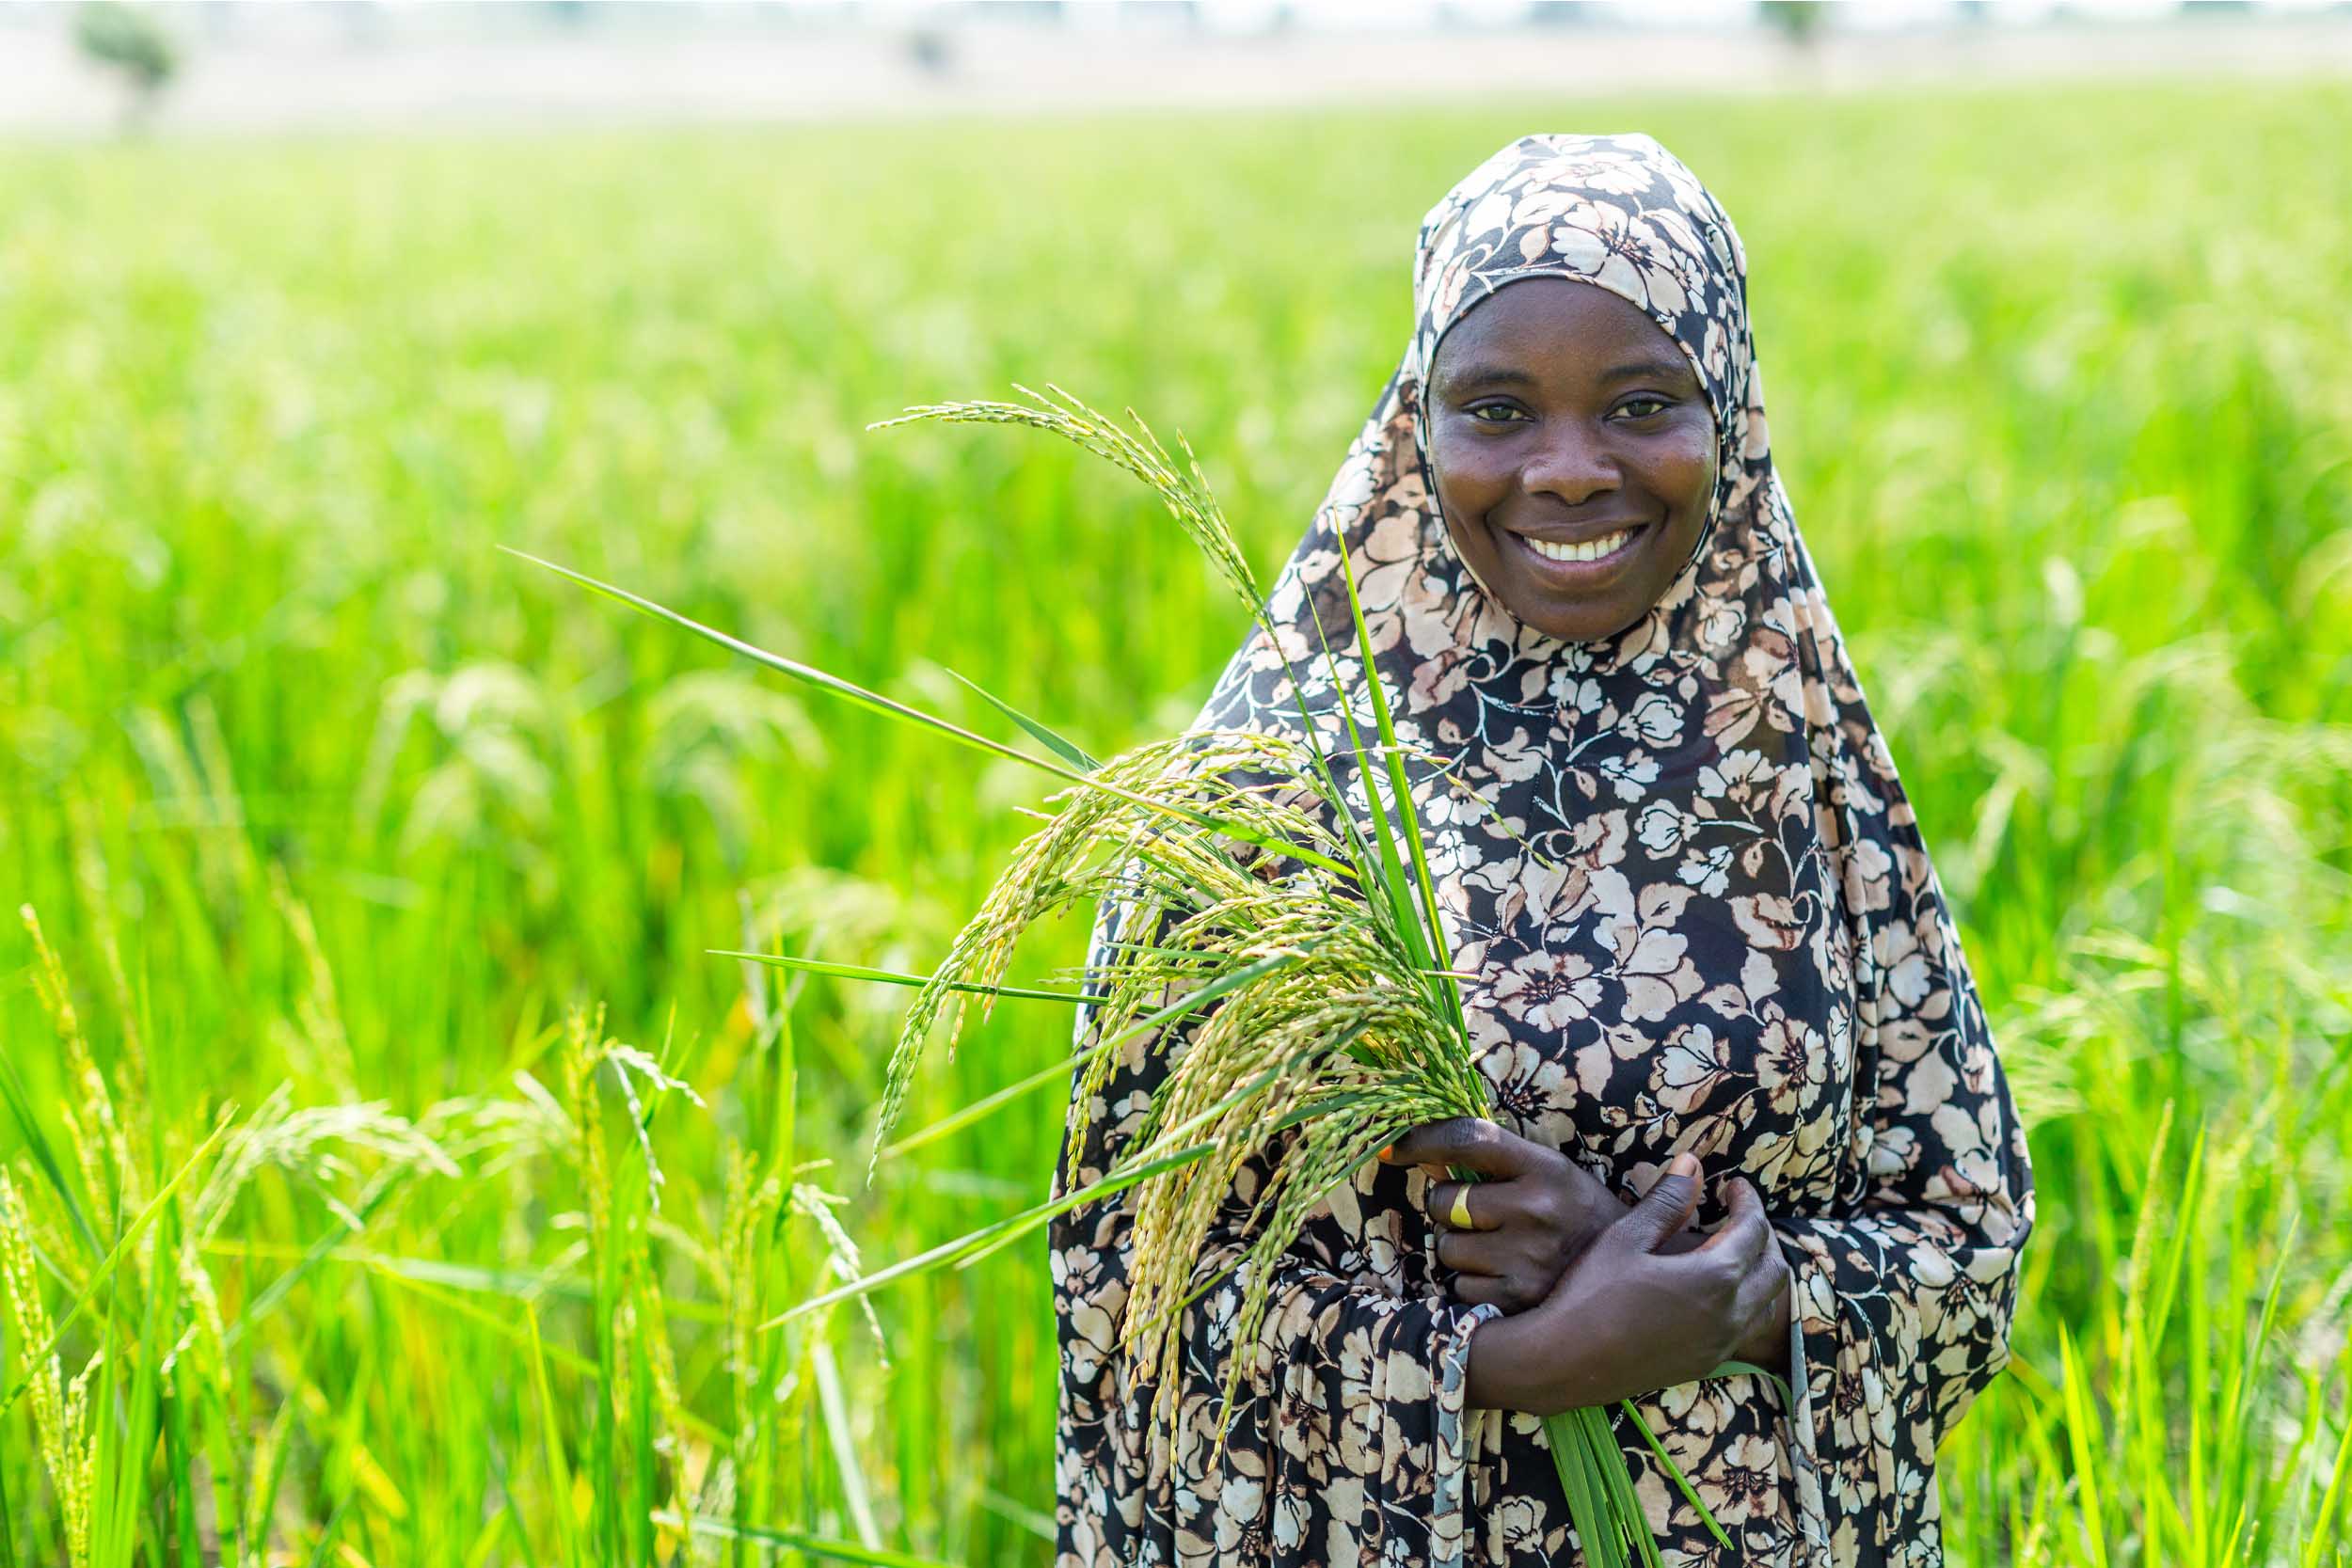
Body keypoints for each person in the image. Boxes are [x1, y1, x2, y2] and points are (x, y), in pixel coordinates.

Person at [1048, 132, 2035, 1568]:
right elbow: (1126, 1304)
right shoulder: (1269, 805)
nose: (1570, 472)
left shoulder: (1797, 759)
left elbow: (1969, 1234)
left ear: (1732, 418)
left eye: (1643, 403)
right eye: (1498, 410)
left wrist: (1739, 1301)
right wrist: (1516, 1367)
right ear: (1416, 430)